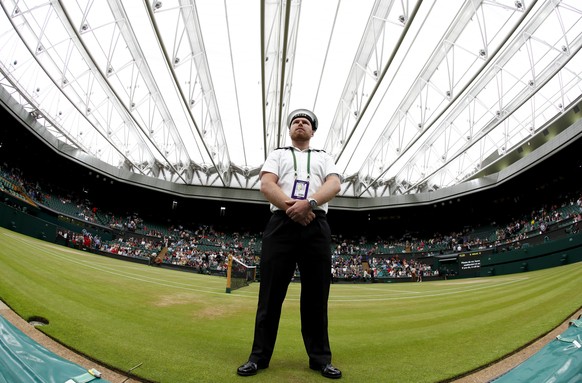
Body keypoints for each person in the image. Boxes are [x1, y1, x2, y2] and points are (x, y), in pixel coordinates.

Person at [237, 109, 342, 379]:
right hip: (281, 223)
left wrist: (310, 204)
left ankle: (320, 359)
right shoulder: (278, 153)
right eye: (296, 120)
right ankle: (258, 357)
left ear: (313, 131)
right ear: (290, 129)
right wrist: (293, 208)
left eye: (306, 121)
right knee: (270, 295)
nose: (300, 123)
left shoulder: (323, 157)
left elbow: (334, 184)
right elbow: (266, 184)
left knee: (316, 296)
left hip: (316, 224)